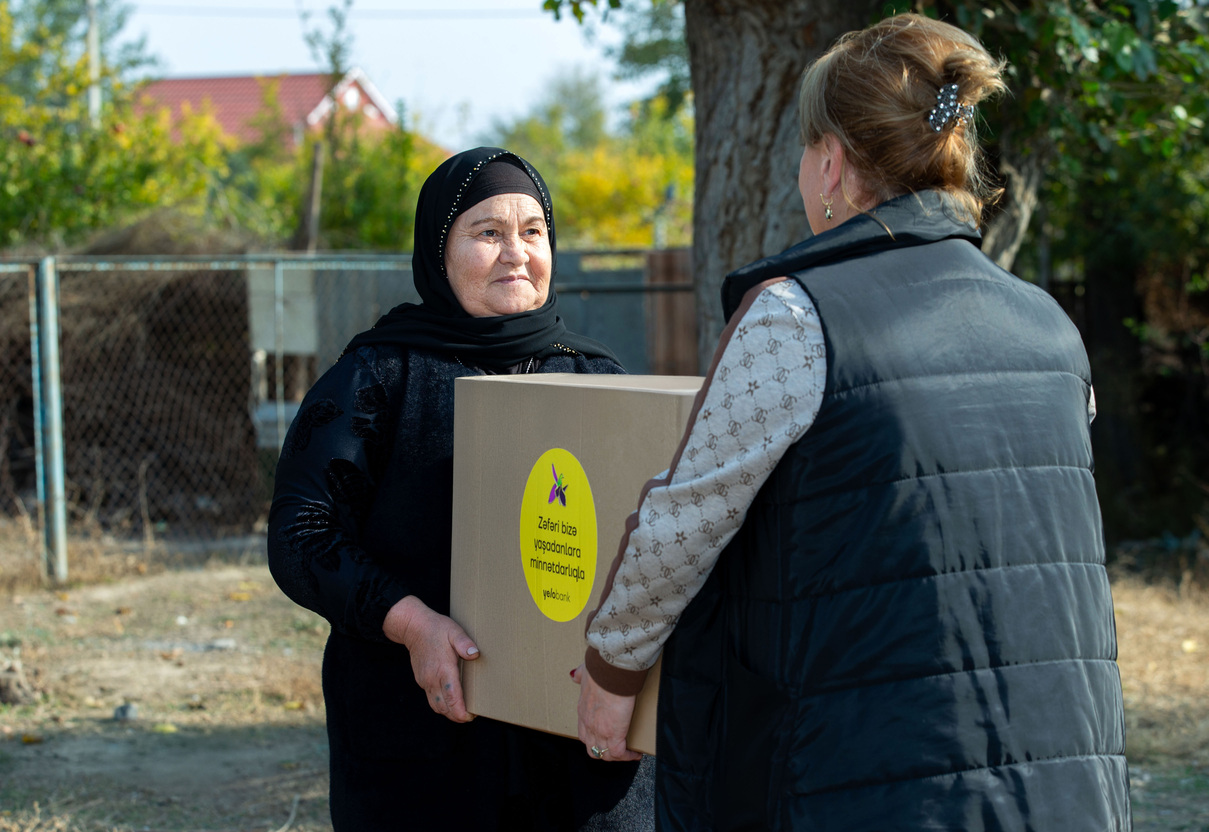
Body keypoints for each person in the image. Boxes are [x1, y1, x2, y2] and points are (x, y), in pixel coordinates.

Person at [573, 14, 1130, 831]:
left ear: (830, 162)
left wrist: (610, 671)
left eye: (806, 152)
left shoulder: (796, 318)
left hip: (867, 780)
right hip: (1060, 781)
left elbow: (683, 523)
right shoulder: (1049, 326)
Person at [269, 147, 654, 831]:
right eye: (488, 232)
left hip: (578, 746)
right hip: (420, 739)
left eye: (532, 231)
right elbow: (302, 536)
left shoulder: (597, 378)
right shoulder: (379, 376)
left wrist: (626, 674)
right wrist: (412, 624)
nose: (516, 253)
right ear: (437, 251)